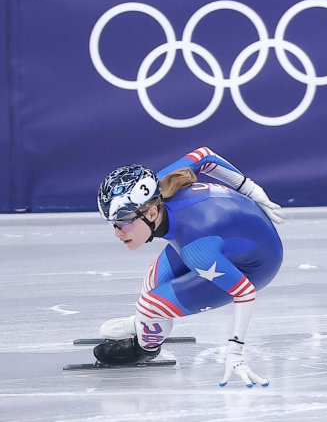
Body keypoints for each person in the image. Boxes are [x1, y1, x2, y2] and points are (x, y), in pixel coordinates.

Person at [94, 146, 284, 387]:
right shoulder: (156, 186)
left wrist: (236, 352)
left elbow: (244, 292)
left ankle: (145, 347)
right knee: (151, 286)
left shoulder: (196, 250)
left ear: (152, 213)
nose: (117, 233)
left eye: (122, 223)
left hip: (256, 264)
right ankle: (144, 323)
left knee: (151, 304)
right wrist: (251, 189)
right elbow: (203, 155)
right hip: (226, 237)